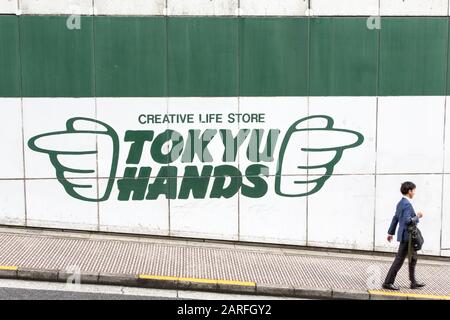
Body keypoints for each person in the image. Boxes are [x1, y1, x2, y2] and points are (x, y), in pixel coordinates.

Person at [382, 181, 425, 290]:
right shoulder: (406, 204)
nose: (414, 192)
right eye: (413, 190)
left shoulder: (400, 203)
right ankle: (388, 282)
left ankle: (413, 282)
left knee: (413, 258)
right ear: (409, 191)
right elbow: (407, 221)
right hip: (408, 237)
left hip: (407, 236)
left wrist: (390, 233)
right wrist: (418, 216)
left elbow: (395, 218)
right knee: (399, 260)